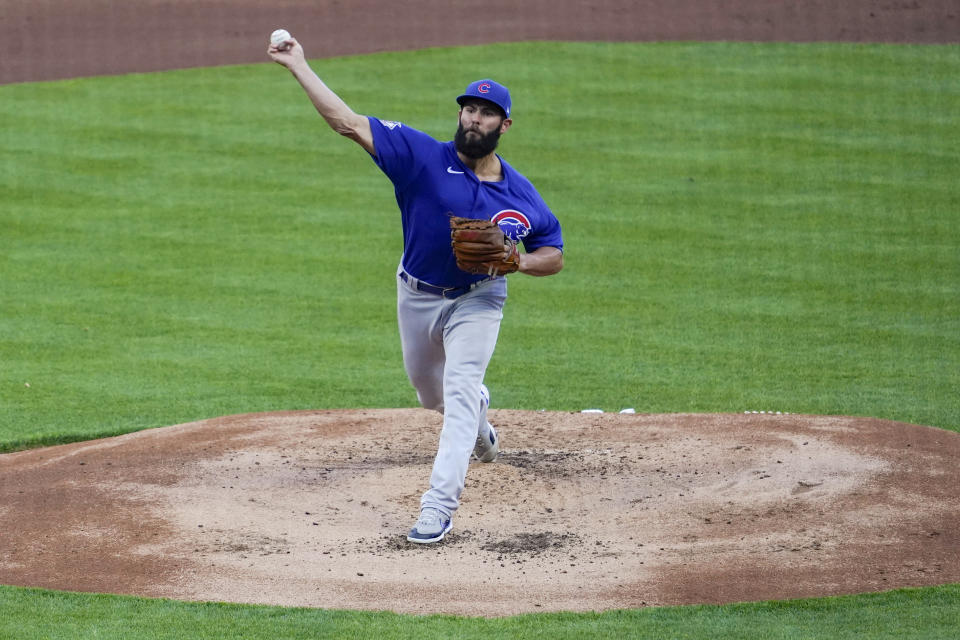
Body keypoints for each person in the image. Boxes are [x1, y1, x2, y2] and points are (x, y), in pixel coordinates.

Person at [268, 35, 564, 544]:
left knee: (459, 385)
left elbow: (553, 254)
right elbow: (348, 121)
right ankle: (478, 414)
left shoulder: (522, 193)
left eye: (487, 113)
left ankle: (437, 507)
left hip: (480, 298)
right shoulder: (421, 156)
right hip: (417, 294)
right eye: (469, 109)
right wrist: (299, 64)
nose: (474, 118)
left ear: (504, 125)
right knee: (431, 394)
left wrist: (519, 261)